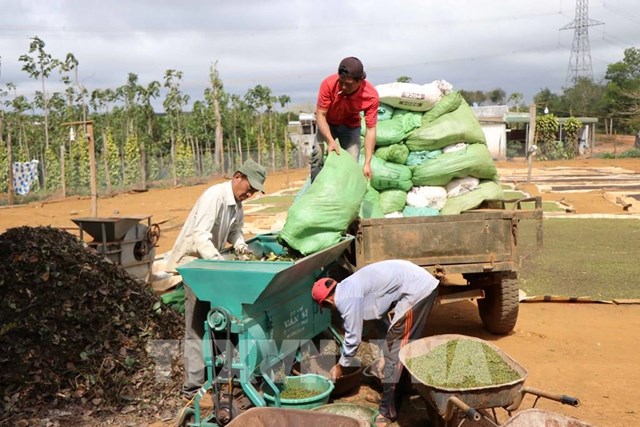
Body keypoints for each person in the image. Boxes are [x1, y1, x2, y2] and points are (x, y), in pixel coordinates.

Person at [165, 159, 267, 401]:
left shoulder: (236, 203)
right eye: (249, 187)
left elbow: (235, 232)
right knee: (197, 327)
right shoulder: (215, 196)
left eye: (254, 191)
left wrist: (242, 250)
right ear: (237, 176)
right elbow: (200, 237)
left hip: (212, 266)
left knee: (221, 322)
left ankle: (222, 375)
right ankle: (192, 388)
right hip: (196, 266)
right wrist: (221, 266)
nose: (250, 193)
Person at [311, 260, 439, 427]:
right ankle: (403, 390)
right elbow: (380, 316)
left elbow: (353, 338)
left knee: (394, 352)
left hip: (417, 290)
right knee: (399, 347)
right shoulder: (348, 286)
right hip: (415, 283)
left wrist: (341, 366)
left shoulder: (345, 299)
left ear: (326, 302)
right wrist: (384, 348)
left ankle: (387, 412)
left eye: (326, 307)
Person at [310, 56, 379, 182]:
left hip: (350, 127)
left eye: (348, 84)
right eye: (341, 82)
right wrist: (330, 141)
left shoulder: (371, 96)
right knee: (317, 156)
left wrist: (368, 163)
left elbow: (371, 130)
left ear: (360, 81)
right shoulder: (328, 84)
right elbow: (321, 115)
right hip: (327, 124)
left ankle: (345, 198)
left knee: (351, 164)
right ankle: (315, 193)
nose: (343, 87)